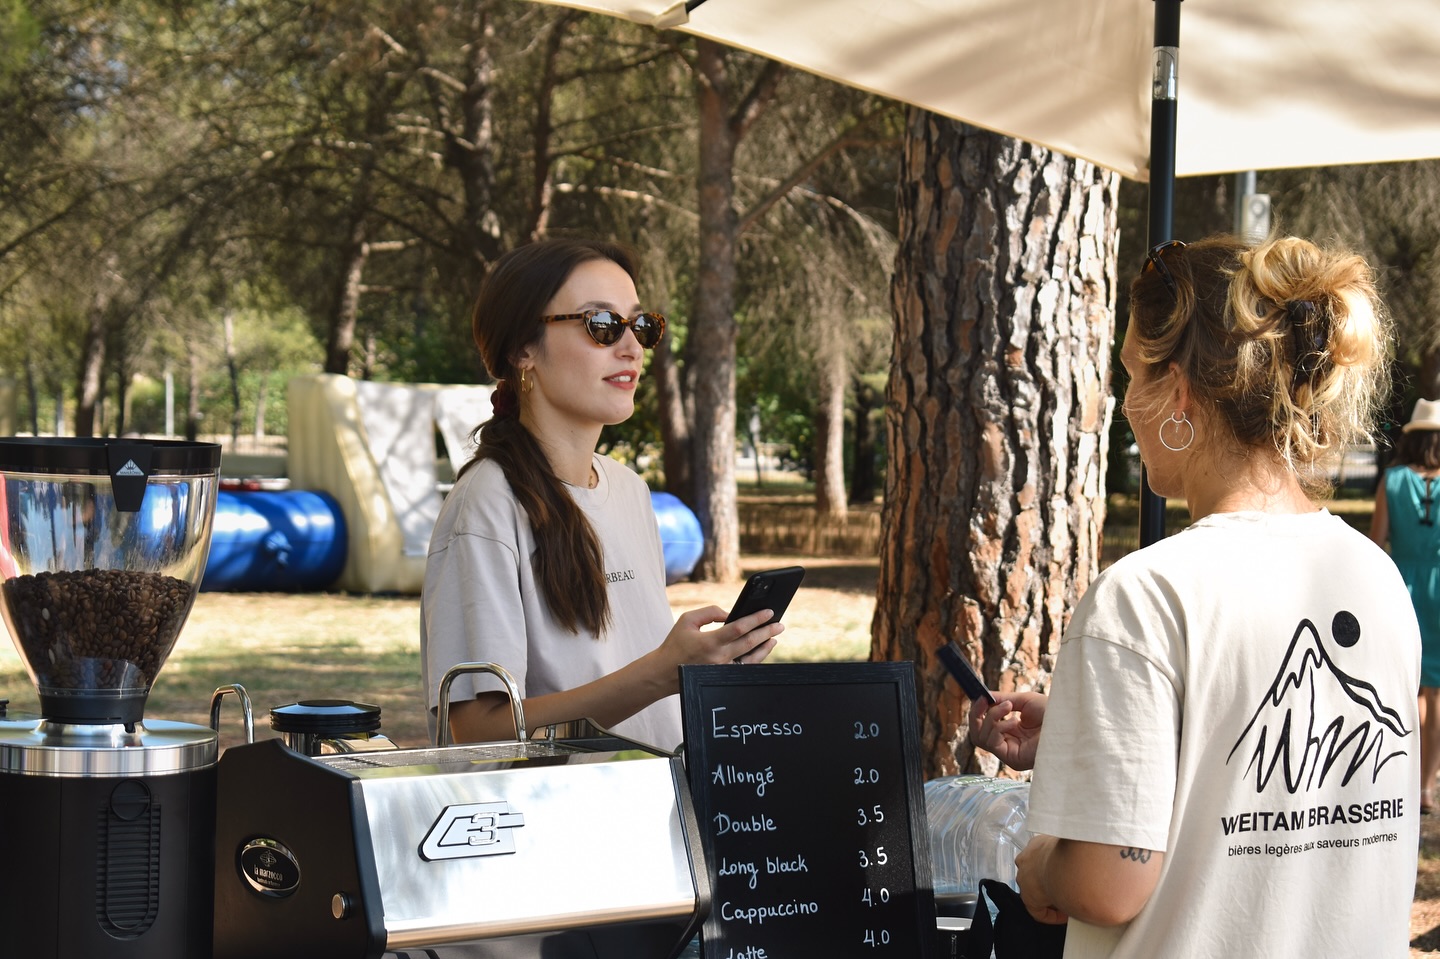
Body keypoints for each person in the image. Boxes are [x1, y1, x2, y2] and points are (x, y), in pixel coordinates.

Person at [968, 234, 1421, 957]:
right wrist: (1086, 733)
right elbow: (1254, 767)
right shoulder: (1374, 576)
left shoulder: (1144, 598)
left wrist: (1044, 864)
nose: (1122, 406)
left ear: (1177, 391)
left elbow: (1108, 883)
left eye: (1129, 377)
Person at [420, 237, 783, 750]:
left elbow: (637, 690)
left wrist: (706, 668)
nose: (631, 347)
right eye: (602, 325)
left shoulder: (630, 491)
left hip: (663, 814)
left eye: (640, 325)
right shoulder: (486, 506)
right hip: (564, 821)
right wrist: (661, 672)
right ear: (523, 349)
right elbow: (480, 731)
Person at [1370, 397, 1440, 812]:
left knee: (1411, 685)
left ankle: (1409, 779)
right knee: (1438, 689)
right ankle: (1428, 787)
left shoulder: (1392, 481)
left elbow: (1377, 543)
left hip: (1403, 586)